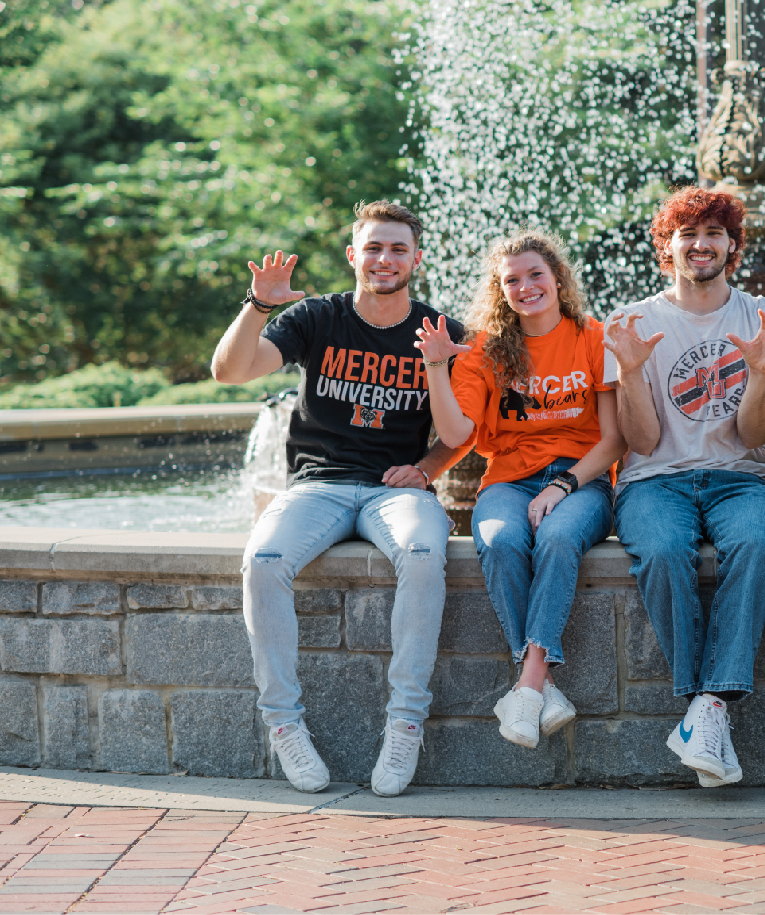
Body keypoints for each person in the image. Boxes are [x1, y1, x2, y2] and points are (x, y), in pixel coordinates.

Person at [211, 200, 467, 797]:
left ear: (416, 259)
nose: (385, 258)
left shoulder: (441, 331)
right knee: (265, 561)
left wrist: (428, 467)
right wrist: (260, 304)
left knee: (427, 555)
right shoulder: (316, 318)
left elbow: (463, 431)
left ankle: (405, 723)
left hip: (391, 491)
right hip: (318, 485)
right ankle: (283, 723)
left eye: (398, 248)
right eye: (374, 247)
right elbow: (230, 370)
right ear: (354, 255)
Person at [603, 187, 765, 788]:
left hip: (739, 479)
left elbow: (755, 432)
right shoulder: (631, 324)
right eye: (687, 233)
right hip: (655, 480)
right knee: (661, 552)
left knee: (759, 544)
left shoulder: (764, 319)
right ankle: (709, 707)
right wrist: (631, 371)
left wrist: (760, 372)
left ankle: (705, 710)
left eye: (713, 233)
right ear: (668, 246)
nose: (701, 244)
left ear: (732, 246)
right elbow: (644, 440)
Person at [413, 229, 625, 751]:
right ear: (500, 289)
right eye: (512, 280)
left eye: (535, 274)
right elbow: (459, 433)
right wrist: (437, 366)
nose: (526, 286)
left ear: (557, 278)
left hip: (584, 479)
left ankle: (527, 682)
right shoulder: (484, 349)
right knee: (501, 539)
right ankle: (540, 686)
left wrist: (564, 484)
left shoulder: (594, 339)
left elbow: (616, 439)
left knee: (557, 538)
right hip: (507, 478)